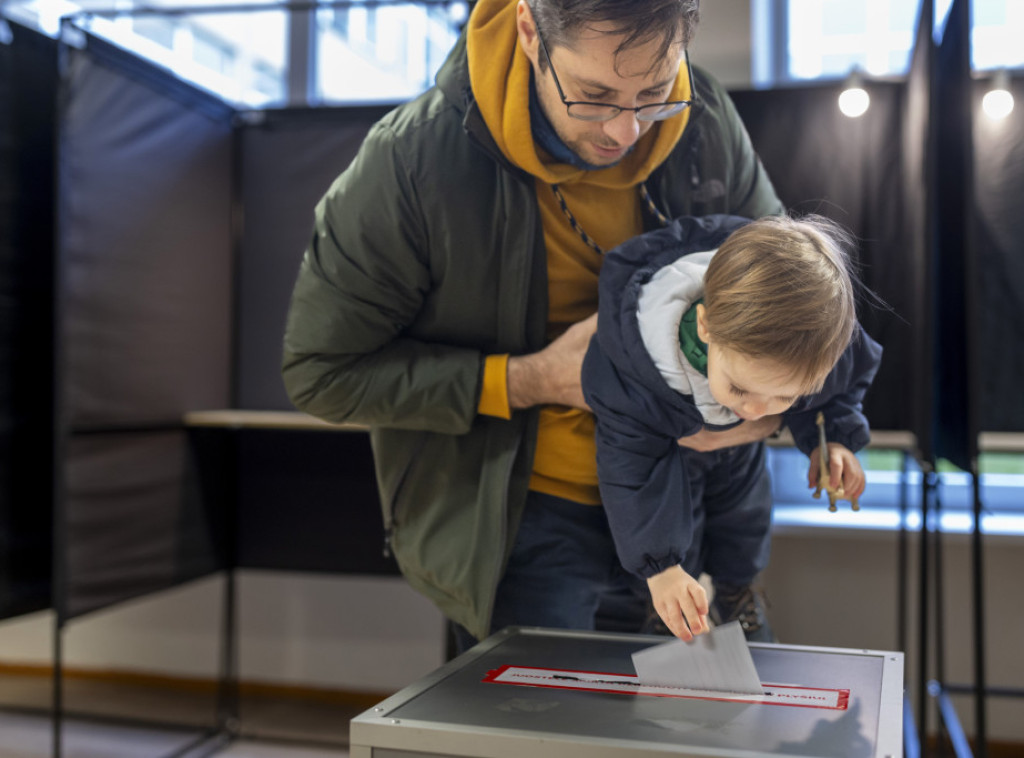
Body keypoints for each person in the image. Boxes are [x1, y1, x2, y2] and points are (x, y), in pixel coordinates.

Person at [281, 0, 785, 652]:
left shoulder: (704, 119)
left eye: (654, 94)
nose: (627, 130)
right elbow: (321, 372)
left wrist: (767, 410)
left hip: (689, 507)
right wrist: (527, 380)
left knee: (698, 743)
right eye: (594, 97)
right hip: (525, 529)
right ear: (529, 33)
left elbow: (788, 296)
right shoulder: (413, 162)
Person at [582, 213, 883, 642]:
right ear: (705, 327)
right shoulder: (638, 368)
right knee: (674, 523)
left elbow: (840, 387)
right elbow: (629, 468)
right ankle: (667, 609)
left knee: (747, 517)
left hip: (737, 460)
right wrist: (660, 569)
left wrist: (833, 439)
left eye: (785, 397)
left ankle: (737, 590)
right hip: (667, 460)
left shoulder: (814, 342)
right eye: (741, 388)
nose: (759, 412)